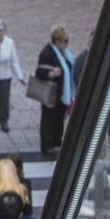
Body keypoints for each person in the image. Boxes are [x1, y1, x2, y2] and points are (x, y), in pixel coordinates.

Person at [36, 25, 75, 156]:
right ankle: (47, 145)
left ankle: (57, 142)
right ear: (56, 40)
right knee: (48, 119)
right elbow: (39, 72)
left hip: (62, 94)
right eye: (65, 41)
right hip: (51, 94)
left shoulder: (65, 53)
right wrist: (51, 74)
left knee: (59, 119)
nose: (67, 44)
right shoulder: (47, 53)